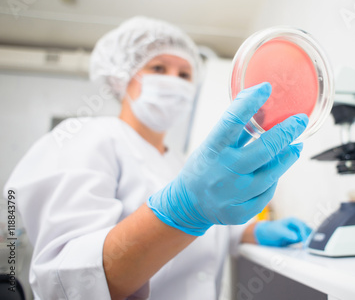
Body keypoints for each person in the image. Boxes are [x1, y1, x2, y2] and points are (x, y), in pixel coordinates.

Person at [3, 16, 311, 300]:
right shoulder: (85, 137)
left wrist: (250, 230)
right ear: (122, 78)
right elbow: (67, 280)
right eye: (159, 68)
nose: (174, 81)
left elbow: (209, 228)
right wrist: (182, 211)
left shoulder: (179, 161)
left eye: (185, 74)